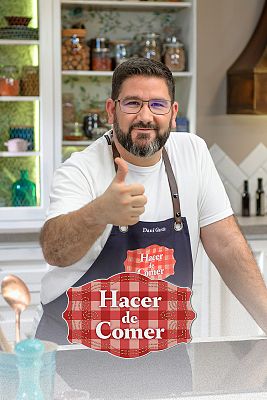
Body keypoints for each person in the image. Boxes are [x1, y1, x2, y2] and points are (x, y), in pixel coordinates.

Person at [35, 57, 267, 344]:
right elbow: (54, 251)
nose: (145, 116)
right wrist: (99, 213)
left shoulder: (192, 153)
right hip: (75, 354)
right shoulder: (80, 170)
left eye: (157, 105)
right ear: (111, 110)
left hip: (162, 352)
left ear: (173, 113)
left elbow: (227, 244)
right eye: (132, 103)